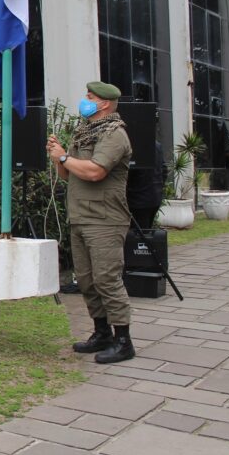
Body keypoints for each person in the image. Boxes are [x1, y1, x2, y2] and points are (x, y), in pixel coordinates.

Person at [46, 81, 135, 364]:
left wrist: (63, 156)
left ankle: (123, 340)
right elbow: (68, 175)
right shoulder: (84, 133)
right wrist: (58, 156)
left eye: (90, 97)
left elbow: (96, 172)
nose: (85, 100)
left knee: (107, 279)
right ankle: (101, 333)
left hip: (105, 220)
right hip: (80, 216)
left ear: (105, 104)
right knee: (86, 280)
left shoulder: (115, 134)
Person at [126, 140, 165, 231]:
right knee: (146, 231)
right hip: (154, 195)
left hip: (137, 198)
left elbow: (131, 172)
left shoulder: (134, 146)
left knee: (137, 234)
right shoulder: (157, 145)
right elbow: (164, 169)